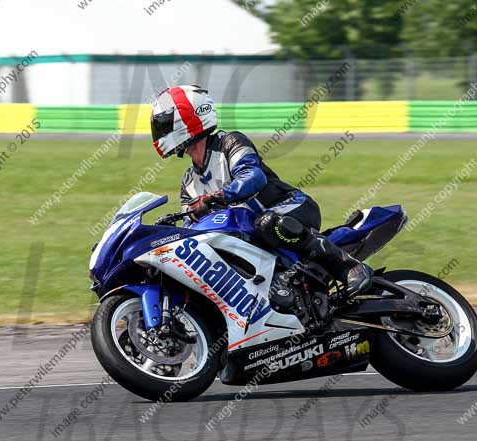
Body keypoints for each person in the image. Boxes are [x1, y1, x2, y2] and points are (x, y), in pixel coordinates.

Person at [150, 84, 371, 298]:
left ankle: (350, 268)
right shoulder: (189, 182)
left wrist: (218, 197)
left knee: (268, 223)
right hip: (249, 233)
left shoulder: (229, 143)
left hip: (290, 207)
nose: (159, 131)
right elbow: (193, 231)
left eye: (163, 123)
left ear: (188, 116)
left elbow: (253, 177)